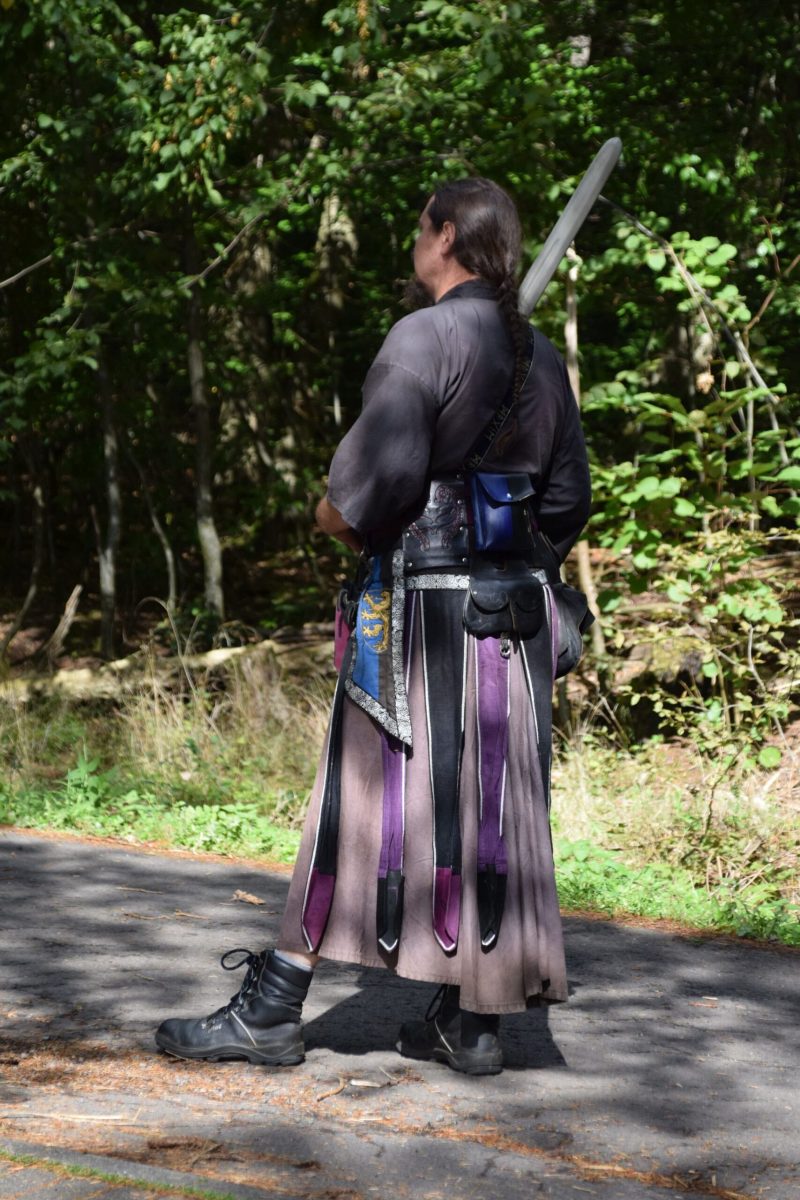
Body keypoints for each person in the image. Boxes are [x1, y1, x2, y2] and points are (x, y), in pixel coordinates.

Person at [155, 177, 591, 1076]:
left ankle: (273, 1009)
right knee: (490, 812)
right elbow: (566, 501)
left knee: (358, 801)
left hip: (417, 622)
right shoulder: (540, 357)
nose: (414, 243)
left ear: (445, 236)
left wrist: (335, 516)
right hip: (513, 624)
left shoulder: (422, 338)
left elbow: (369, 489)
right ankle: (473, 1024)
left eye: (419, 228)